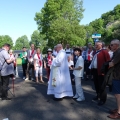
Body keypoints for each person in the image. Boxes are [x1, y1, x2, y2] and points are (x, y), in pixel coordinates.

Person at [89, 41, 110, 105]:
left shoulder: (104, 52)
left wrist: (105, 71)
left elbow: (108, 61)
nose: (95, 46)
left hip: (101, 72)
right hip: (95, 70)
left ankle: (102, 99)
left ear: (101, 45)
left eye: (97, 45)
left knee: (102, 86)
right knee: (96, 84)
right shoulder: (96, 52)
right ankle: (98, 95)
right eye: (95, 45)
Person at [107, 39, 120, 119]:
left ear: (116, 45)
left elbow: (111, 64)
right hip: (117, 75)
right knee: (117, 94)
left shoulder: (118, 53)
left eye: (111, 45)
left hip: (118, 76)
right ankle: (118, 109)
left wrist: (107, 63)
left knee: (117, 95)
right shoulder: (116, 52)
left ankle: (119, 113)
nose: (110, 46)